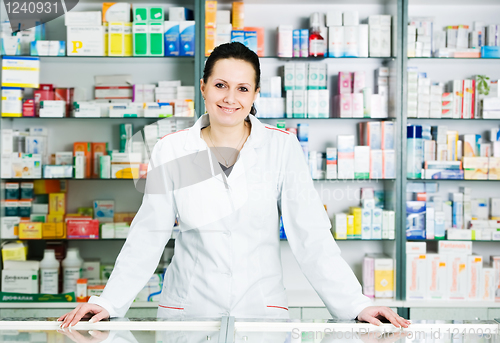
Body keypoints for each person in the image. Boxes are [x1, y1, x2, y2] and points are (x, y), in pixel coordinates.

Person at [58, 42, 410, 329]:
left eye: (243, 88)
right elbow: (148, 234)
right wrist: (108, 301)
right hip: (188, 312)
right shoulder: (173, 148)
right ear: (204, 86)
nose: (230, 98)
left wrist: (355, 304)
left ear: (255, 93)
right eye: (221, 85)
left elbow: (311, 235)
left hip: (262, 311)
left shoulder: (281, 147)